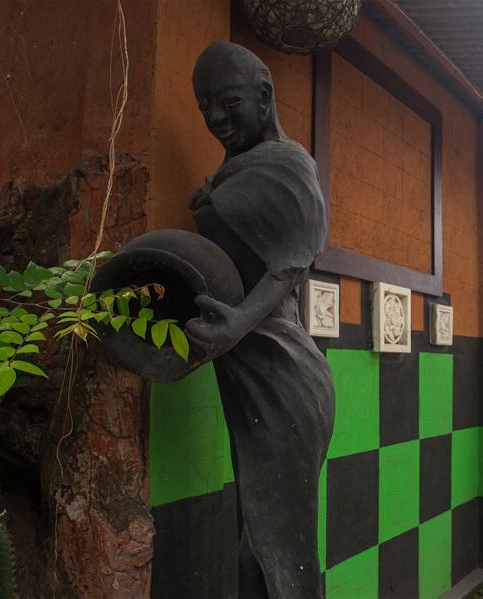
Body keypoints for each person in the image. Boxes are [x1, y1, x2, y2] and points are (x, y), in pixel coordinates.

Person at [185, 41, 335, 599]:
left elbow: (289, 266)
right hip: (248, 371)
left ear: (265, 96)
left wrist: (235, 326)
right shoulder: (235, 169)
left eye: (229, 103)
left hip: (284, 370)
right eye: (205, 108)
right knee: (256, 534)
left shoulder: (290, 164)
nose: (216, 119)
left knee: (282, 545)